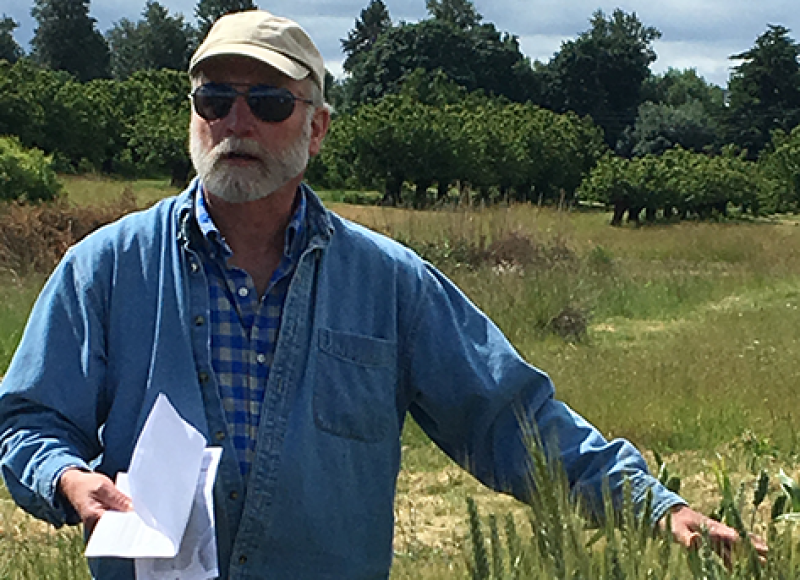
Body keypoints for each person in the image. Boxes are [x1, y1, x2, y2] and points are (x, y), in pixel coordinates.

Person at [0, 9, 765, 580]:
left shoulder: (389, 282)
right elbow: (27, 421)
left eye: (268, 102)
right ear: (194, 118)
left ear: (318, 128)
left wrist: (656, 507)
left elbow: (510, 417)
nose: (236, 121)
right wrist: (66, 478)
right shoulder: (105, 267)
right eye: (214, 100)